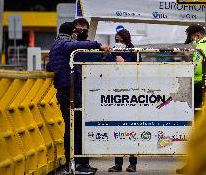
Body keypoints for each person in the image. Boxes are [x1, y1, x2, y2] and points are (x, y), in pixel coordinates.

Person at [46, 22, 110, 174]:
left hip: (64, 90)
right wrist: (97, 44)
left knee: (73, 127)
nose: (76, 35)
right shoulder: (64, 43)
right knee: (75, 128)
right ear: (70, 33)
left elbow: (49, 67)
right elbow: (71, 47)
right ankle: (76, 165)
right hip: (70, 91)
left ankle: (77, 163)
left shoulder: (55, 45)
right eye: (75, 32)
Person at [176, 24, 206, 174]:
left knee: (198, 126)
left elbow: (196, 67)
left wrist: (186, 66)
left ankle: (195, 163)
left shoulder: (202, 47)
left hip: (201, 86)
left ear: (197, 35)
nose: (192, 41)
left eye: (192, 38)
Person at [107, 29, 138, 173]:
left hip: (132, 95)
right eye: (116, 40)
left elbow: (140, 69)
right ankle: (118, 164)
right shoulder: (111, 52)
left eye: (120, 40)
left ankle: (133, 164)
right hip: (115, 95)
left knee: (133, 130)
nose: (118, 43)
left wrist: (125, 62)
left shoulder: (134, 52)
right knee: (117, 130)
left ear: (126, 40)